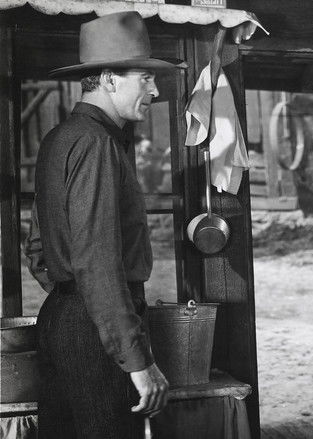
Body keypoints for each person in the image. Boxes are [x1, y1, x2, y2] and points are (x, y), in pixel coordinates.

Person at [34, 11, 185, 438]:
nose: (155, 90)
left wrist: (71, 300)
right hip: (93, 329)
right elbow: (97, 262)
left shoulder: (59, 138)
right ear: (109, 80)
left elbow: (37, 250)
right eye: (145, 78)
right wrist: (135, 359)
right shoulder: (97, 143)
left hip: (62, 318)